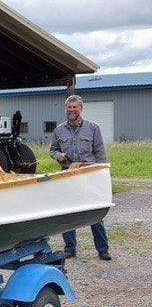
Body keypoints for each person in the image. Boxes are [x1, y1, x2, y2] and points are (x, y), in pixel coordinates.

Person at [50, 94, 111, 261]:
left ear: (81, 109)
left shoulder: (93, 128)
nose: (71, 110)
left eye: (74, 107)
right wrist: (58, 156)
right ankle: (70, 248)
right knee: (68, 213)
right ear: (66, 110)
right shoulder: (59, 130)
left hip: (89, 175)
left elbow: (100, 154)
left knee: (94, 213)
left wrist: (102, 175)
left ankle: (103, 249)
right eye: (69, 108)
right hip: (68, 174)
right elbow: (52, 150)